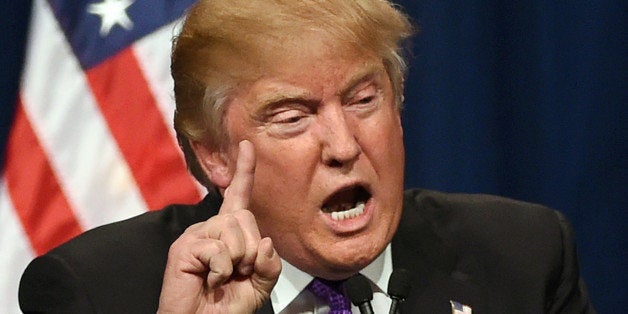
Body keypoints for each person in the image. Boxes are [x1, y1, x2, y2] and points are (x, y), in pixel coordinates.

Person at [19, 0, 595, 313]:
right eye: (293, 117)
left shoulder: (524, 254)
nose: (345, 147)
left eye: (363, 100)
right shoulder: (94, 293)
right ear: (216, 157)